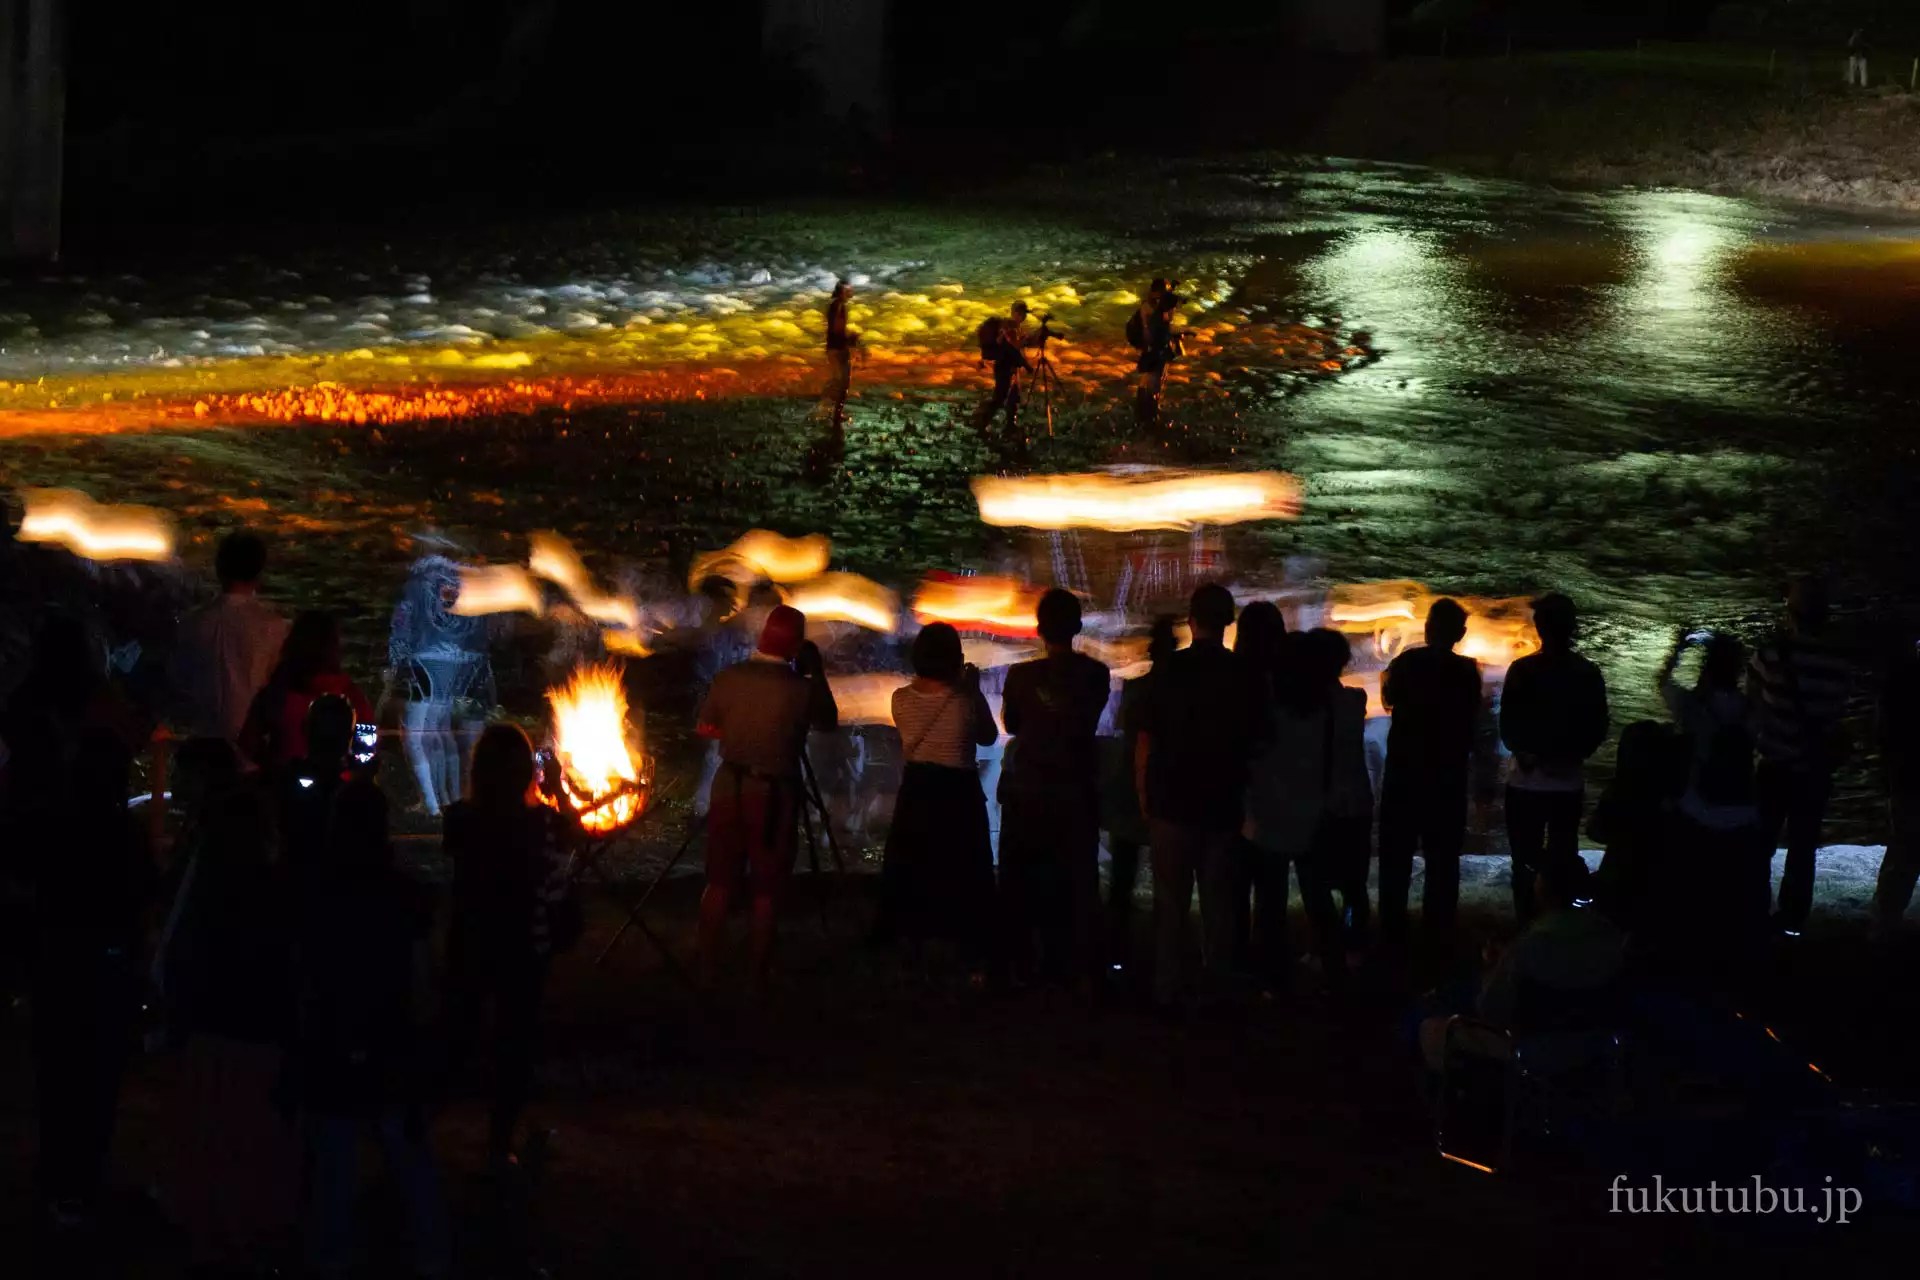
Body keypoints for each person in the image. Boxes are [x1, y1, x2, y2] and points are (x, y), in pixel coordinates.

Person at [0, 615, 155, 1231]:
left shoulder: (26, 713)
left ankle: (56, 1174)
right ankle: (84, 1176)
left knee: (55, 1055)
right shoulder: (117, 825)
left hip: (51, 921)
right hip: (104, 935)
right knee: (98, 1065)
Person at [299, 777, 449, 1278]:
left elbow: (306, 972)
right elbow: (422, 975)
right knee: (404, 1150)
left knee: (336, 1157)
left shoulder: (317, 894)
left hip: (336, 1039)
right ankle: (430, 1254)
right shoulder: (404, 896)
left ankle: (333, 1256)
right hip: (389, 1039)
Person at [158, 761, 301, 1272]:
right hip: (256, 1036)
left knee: (208, 1131)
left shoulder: (208, 887)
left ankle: (206, 1233)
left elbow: (181, 951)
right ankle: (246, 1234)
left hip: (209, 1031)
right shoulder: (274, 888)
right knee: (251, 1138)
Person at [442, 724, 576, 1166]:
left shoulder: (460, 819)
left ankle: (418, 1131)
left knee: (459, 1035)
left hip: (472, 940)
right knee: (513, 1043)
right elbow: (568, 847)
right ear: (527, 775)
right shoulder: (545, 824)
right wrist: (556, 788)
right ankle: (499, 1144)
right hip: (524, 949)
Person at [1135, 583, 1269, 1010]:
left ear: (1191, 621)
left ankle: (1168, 989)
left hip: (1170, 803)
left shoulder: (1167, 671)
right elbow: (1258, 744)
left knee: (1170, 903)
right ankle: (1218, 990)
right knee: (1220, 904)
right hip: (1221, 805)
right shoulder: (1245, 675)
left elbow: (1145, 740)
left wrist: (1144, 797)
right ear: (1228, 624)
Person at [694, 605, 839, 996]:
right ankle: (756, 978)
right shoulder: (801, 689)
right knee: (766, 889)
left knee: (720, 881)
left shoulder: (728, 677)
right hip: (774, 794)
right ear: (797, 645)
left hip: (728, 787)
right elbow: (828, 721)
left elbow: (706, 726)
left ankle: (707, 969)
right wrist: (817, 672)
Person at [998, 589, 1112, 987]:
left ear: (1039, 629)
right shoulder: (1096, 675)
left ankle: (1022, 964)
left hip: (1028, 790)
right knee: (1077, 880)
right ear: (1078, 627)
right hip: (1076, 788)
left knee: (1024, 878)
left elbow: (1012, 725)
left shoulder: (1020, 677)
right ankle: (1076, 965)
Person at [1417, 860, 1626, 1072]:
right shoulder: (1610, 936)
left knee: (1432, 1015)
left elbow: (1490, 1008)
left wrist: (1493, 966)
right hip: (1600, 1044)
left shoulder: (1532, 944)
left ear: (1544, 891)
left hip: (1536, 1051)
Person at [876, 623, 999, 978]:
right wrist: (973, 690)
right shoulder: (964, 701)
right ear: (954, 659)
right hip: (957, 791)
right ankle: (965, 947)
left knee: (915, 866)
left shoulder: (900, 698)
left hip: (917, 790)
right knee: (963, 868)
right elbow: (989, 738)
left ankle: (913, 944)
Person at [1748, 575, 1850, 936]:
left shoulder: (1769, 655)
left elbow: (1754, 709)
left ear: (1790, 613)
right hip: (1814, 769)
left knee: (1760, 844)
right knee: (1803, 845)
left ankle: (1753, 913)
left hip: (1774, 765)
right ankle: (1792, 921)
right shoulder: (1839, 663)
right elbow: (1837, 714)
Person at [1377, 598, 1481, 948]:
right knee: (1442, 861)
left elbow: (1388, 698)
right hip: (1446, 778)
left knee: (1396, 858)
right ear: (1460, 634)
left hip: (1404, 774)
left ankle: (1391, 932)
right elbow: (1472, 723)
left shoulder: (1406, 662)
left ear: (1426, 628)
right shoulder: (1467, 672)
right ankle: (1438, 933)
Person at [1498, 593, 1609, 923]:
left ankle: (1524, 924)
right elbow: (1598, 725)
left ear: (1538, 628)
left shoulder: (1521, 670)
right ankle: (1563, 924)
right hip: (1567, 783)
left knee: (1524, 859)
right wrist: (1572, 756)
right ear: (1573, 628)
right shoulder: (1587, 673)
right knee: (1564, 856)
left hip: (1525, 783)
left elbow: (1508, 726)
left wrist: (1528, 755)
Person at [1657, 631, 1765, 965]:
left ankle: (1690, 946)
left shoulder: (1692, 706)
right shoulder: (1750, 708)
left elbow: (1662, 682)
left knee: (1695, 883)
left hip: (1699, 809)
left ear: (1707, 667)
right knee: (1731, 888)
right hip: (1744, 811)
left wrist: (1679, 649)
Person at [390, 552, 496, 817]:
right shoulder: (469, 582)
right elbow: (483, 630)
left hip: (424, 661)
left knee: (414, 735)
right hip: (461, 664)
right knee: (440, 732)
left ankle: (432, 803)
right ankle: (449, 798)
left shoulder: (417, 582)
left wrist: (395, 663)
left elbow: (402, 624)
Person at [1099, 615, 1177, 977]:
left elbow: (1123, 731)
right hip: (1167, 789)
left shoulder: (1136, 689)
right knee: (1170, 879)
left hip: (1130, 786)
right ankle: (1167, 960)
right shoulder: (1181, 689)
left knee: (1122, 877)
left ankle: (1116, 953)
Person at [170, 530, 290, 751]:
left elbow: (179, 684)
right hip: (251, 747)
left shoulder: (191, 624)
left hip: (202, 745)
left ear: (219, 569)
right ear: (258, 573)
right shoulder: (274, 627)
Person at [240, 610, 374, 776]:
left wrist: (272, 765)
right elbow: (367, 748)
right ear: (334, 646)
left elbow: (248, 742)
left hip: (284, 786)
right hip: (336, 788)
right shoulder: (351, 694)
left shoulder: (277, 691)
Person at [1871, 641, 1920, 942]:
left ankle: (1883, 924)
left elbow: (1882, 729)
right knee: (1904, 851)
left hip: (1905, 776)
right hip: (1907, 776)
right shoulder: (1902, 678)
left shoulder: (1899, 678)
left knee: (1903, 852)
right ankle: (1883, 922)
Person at [976, 300, 1033, 432]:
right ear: (1014, 313)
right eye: (1021, 314)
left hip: (1011, 366)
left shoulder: (1015, 327)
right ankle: (983, 422)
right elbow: (1011, 347)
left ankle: (1010, 425)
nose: (1024, 317)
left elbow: (1014, 346)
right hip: (1004, 366)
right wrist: (1026, 363)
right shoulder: (1008, 327)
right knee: (1000, 397)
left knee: (1013, 396)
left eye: (1024, 314)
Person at [1131, 285, 1183, 426]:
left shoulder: (1157, 319)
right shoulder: (1159, 323)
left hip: (1151, 361)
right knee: (1153, 390)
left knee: (1148, 388)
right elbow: (1161, 345)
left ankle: (1143, 417)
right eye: (1175, 308)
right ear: (1170, 308)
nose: (1175, 312)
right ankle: (1150, 420)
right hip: (1155, 362)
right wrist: (1175, 344)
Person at [823, 279, 857, 423]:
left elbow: (834, 328)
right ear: (842, 292)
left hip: (833, 347)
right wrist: (849, 339)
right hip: (838, 348)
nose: (850, 292)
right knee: (844, 383)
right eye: (847, 290)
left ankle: (830, 409)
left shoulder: (836, 305)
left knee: (838, 381)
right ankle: (835, 414)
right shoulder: (838, 306)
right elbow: (836, 329)